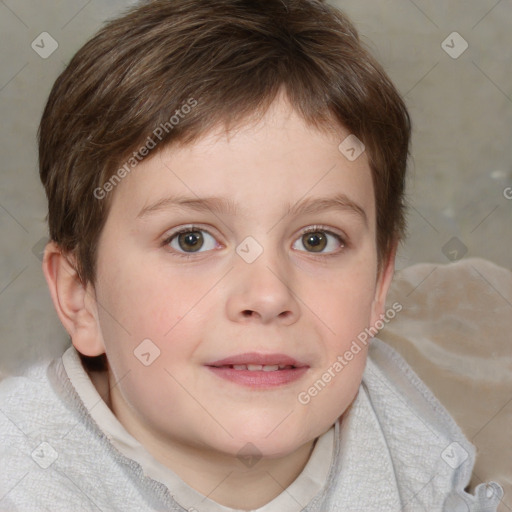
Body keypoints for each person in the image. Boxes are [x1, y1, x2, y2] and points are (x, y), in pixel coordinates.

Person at [0, 1, 503, 510]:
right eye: (191, 239)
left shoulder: (411, 445)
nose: (267, 296)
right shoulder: (24, 479)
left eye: (317, 240)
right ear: (80, 296)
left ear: (378, 289)